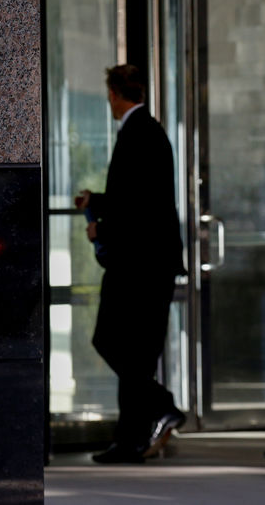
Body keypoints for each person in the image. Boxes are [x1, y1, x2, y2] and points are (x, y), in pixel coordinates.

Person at [76, 64, 188, 464]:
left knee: (111, 341)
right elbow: (140, 197)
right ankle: (134, 438)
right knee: (133, 353)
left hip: (138, 266)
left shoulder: (137, 134)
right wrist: (99, 202)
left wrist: (100, 231)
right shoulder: (149, 132)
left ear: (114, 95)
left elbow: (136, 207)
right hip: (149, 264)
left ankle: (157, 412)